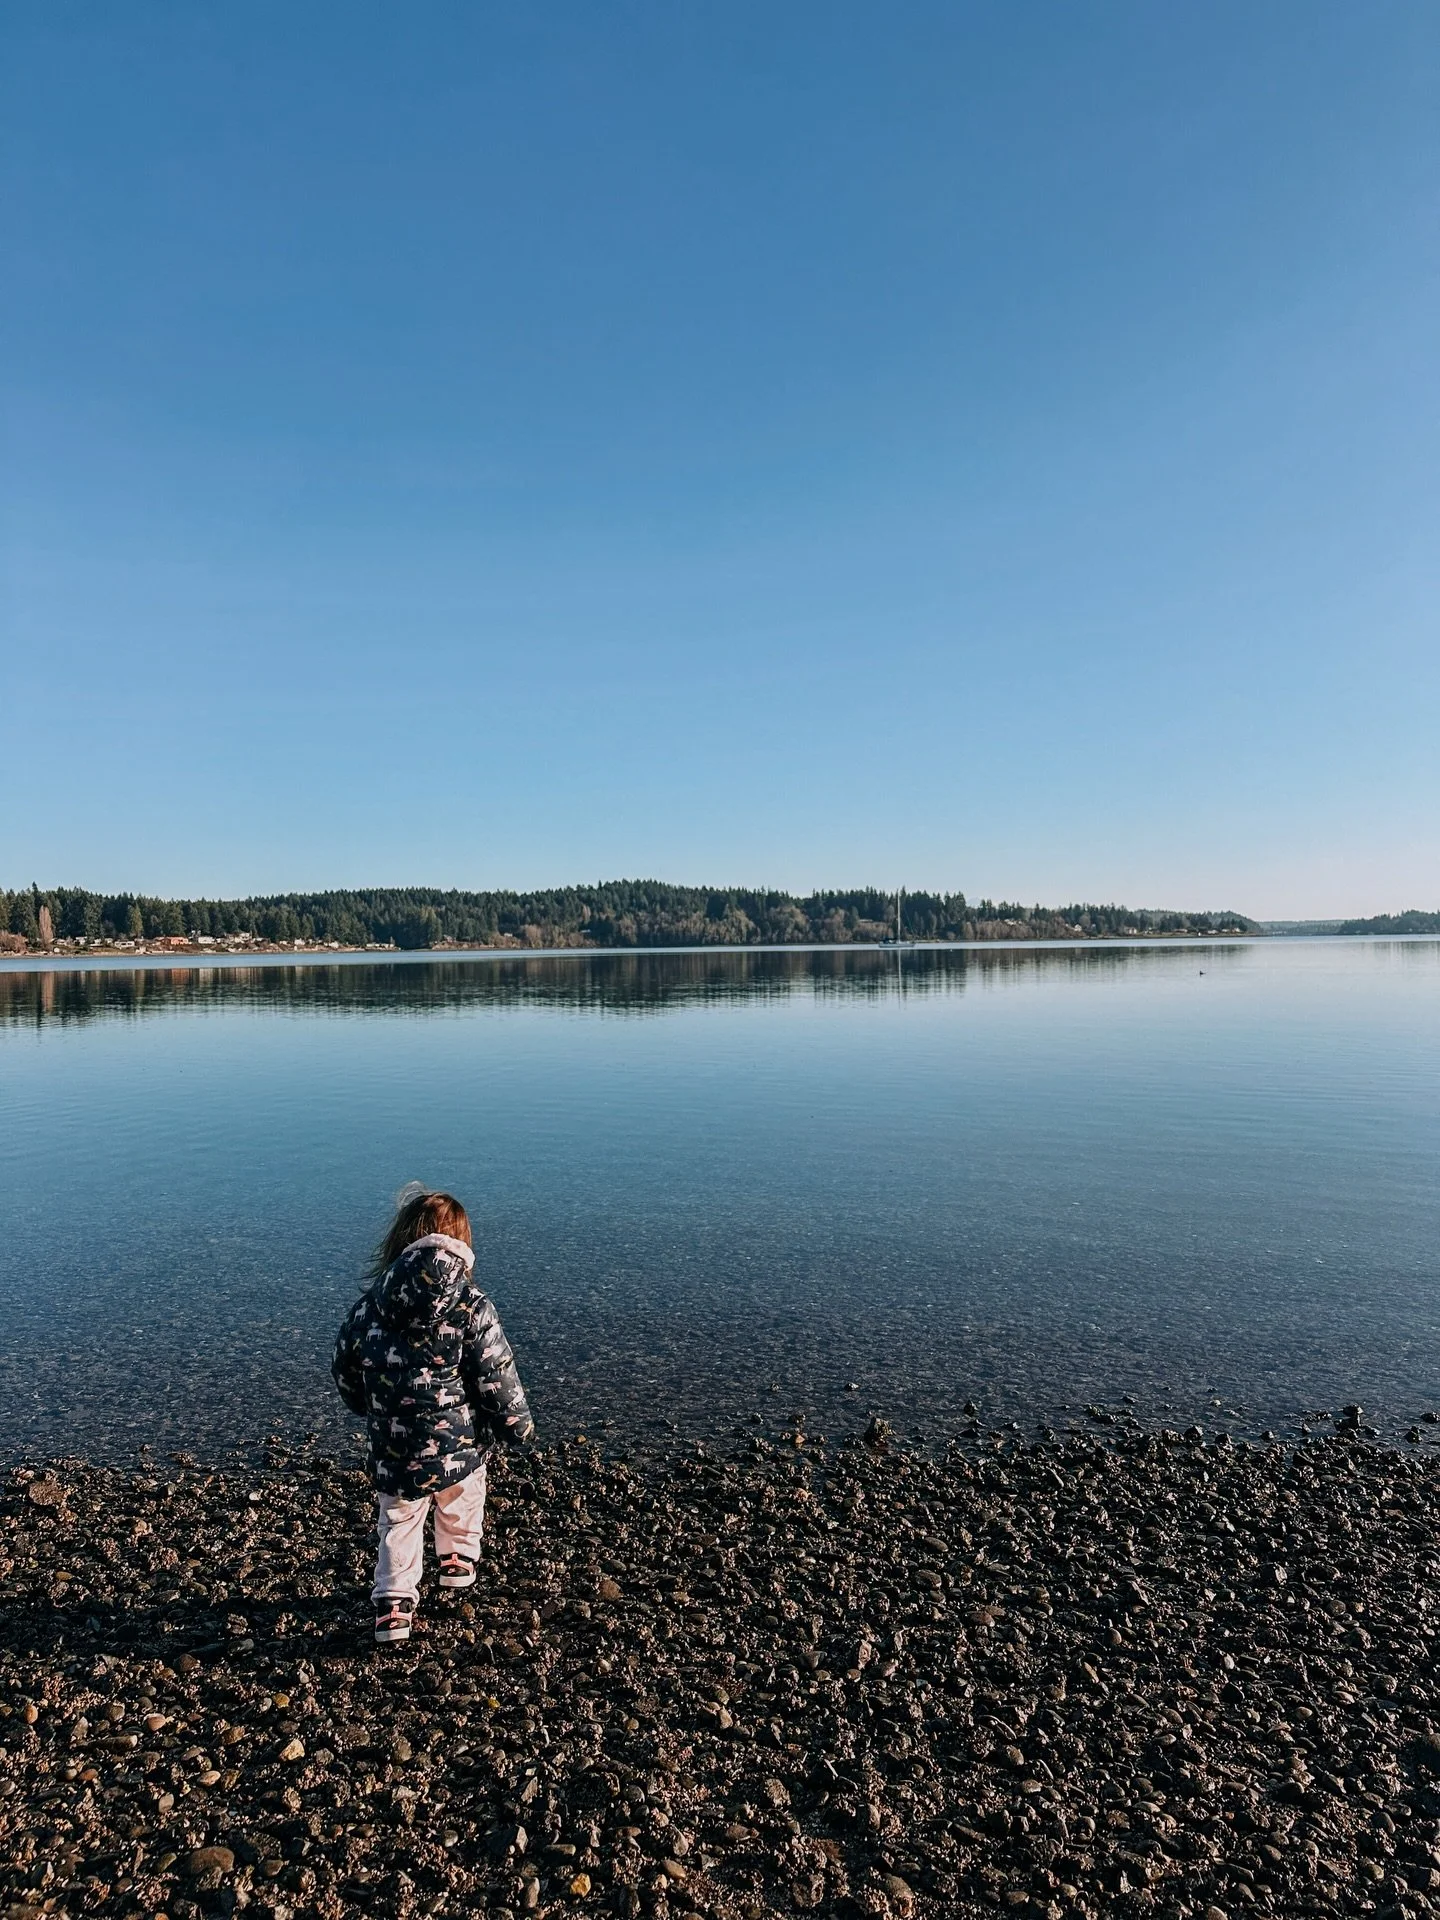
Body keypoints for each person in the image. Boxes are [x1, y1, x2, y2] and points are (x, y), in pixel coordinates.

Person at [333, 1185, 534, 1644]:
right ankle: (457, 1563)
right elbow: (496, 1377)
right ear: (463, 1245)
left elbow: (346, 1370)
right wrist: (516, 1426)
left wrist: (367, 1407)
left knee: (399, 1524)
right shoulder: (472, 1306)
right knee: (463, 1497)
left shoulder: (369, 1309)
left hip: (394, 1450)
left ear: (400, 1242)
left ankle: (394, 1607)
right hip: (458, 1448)